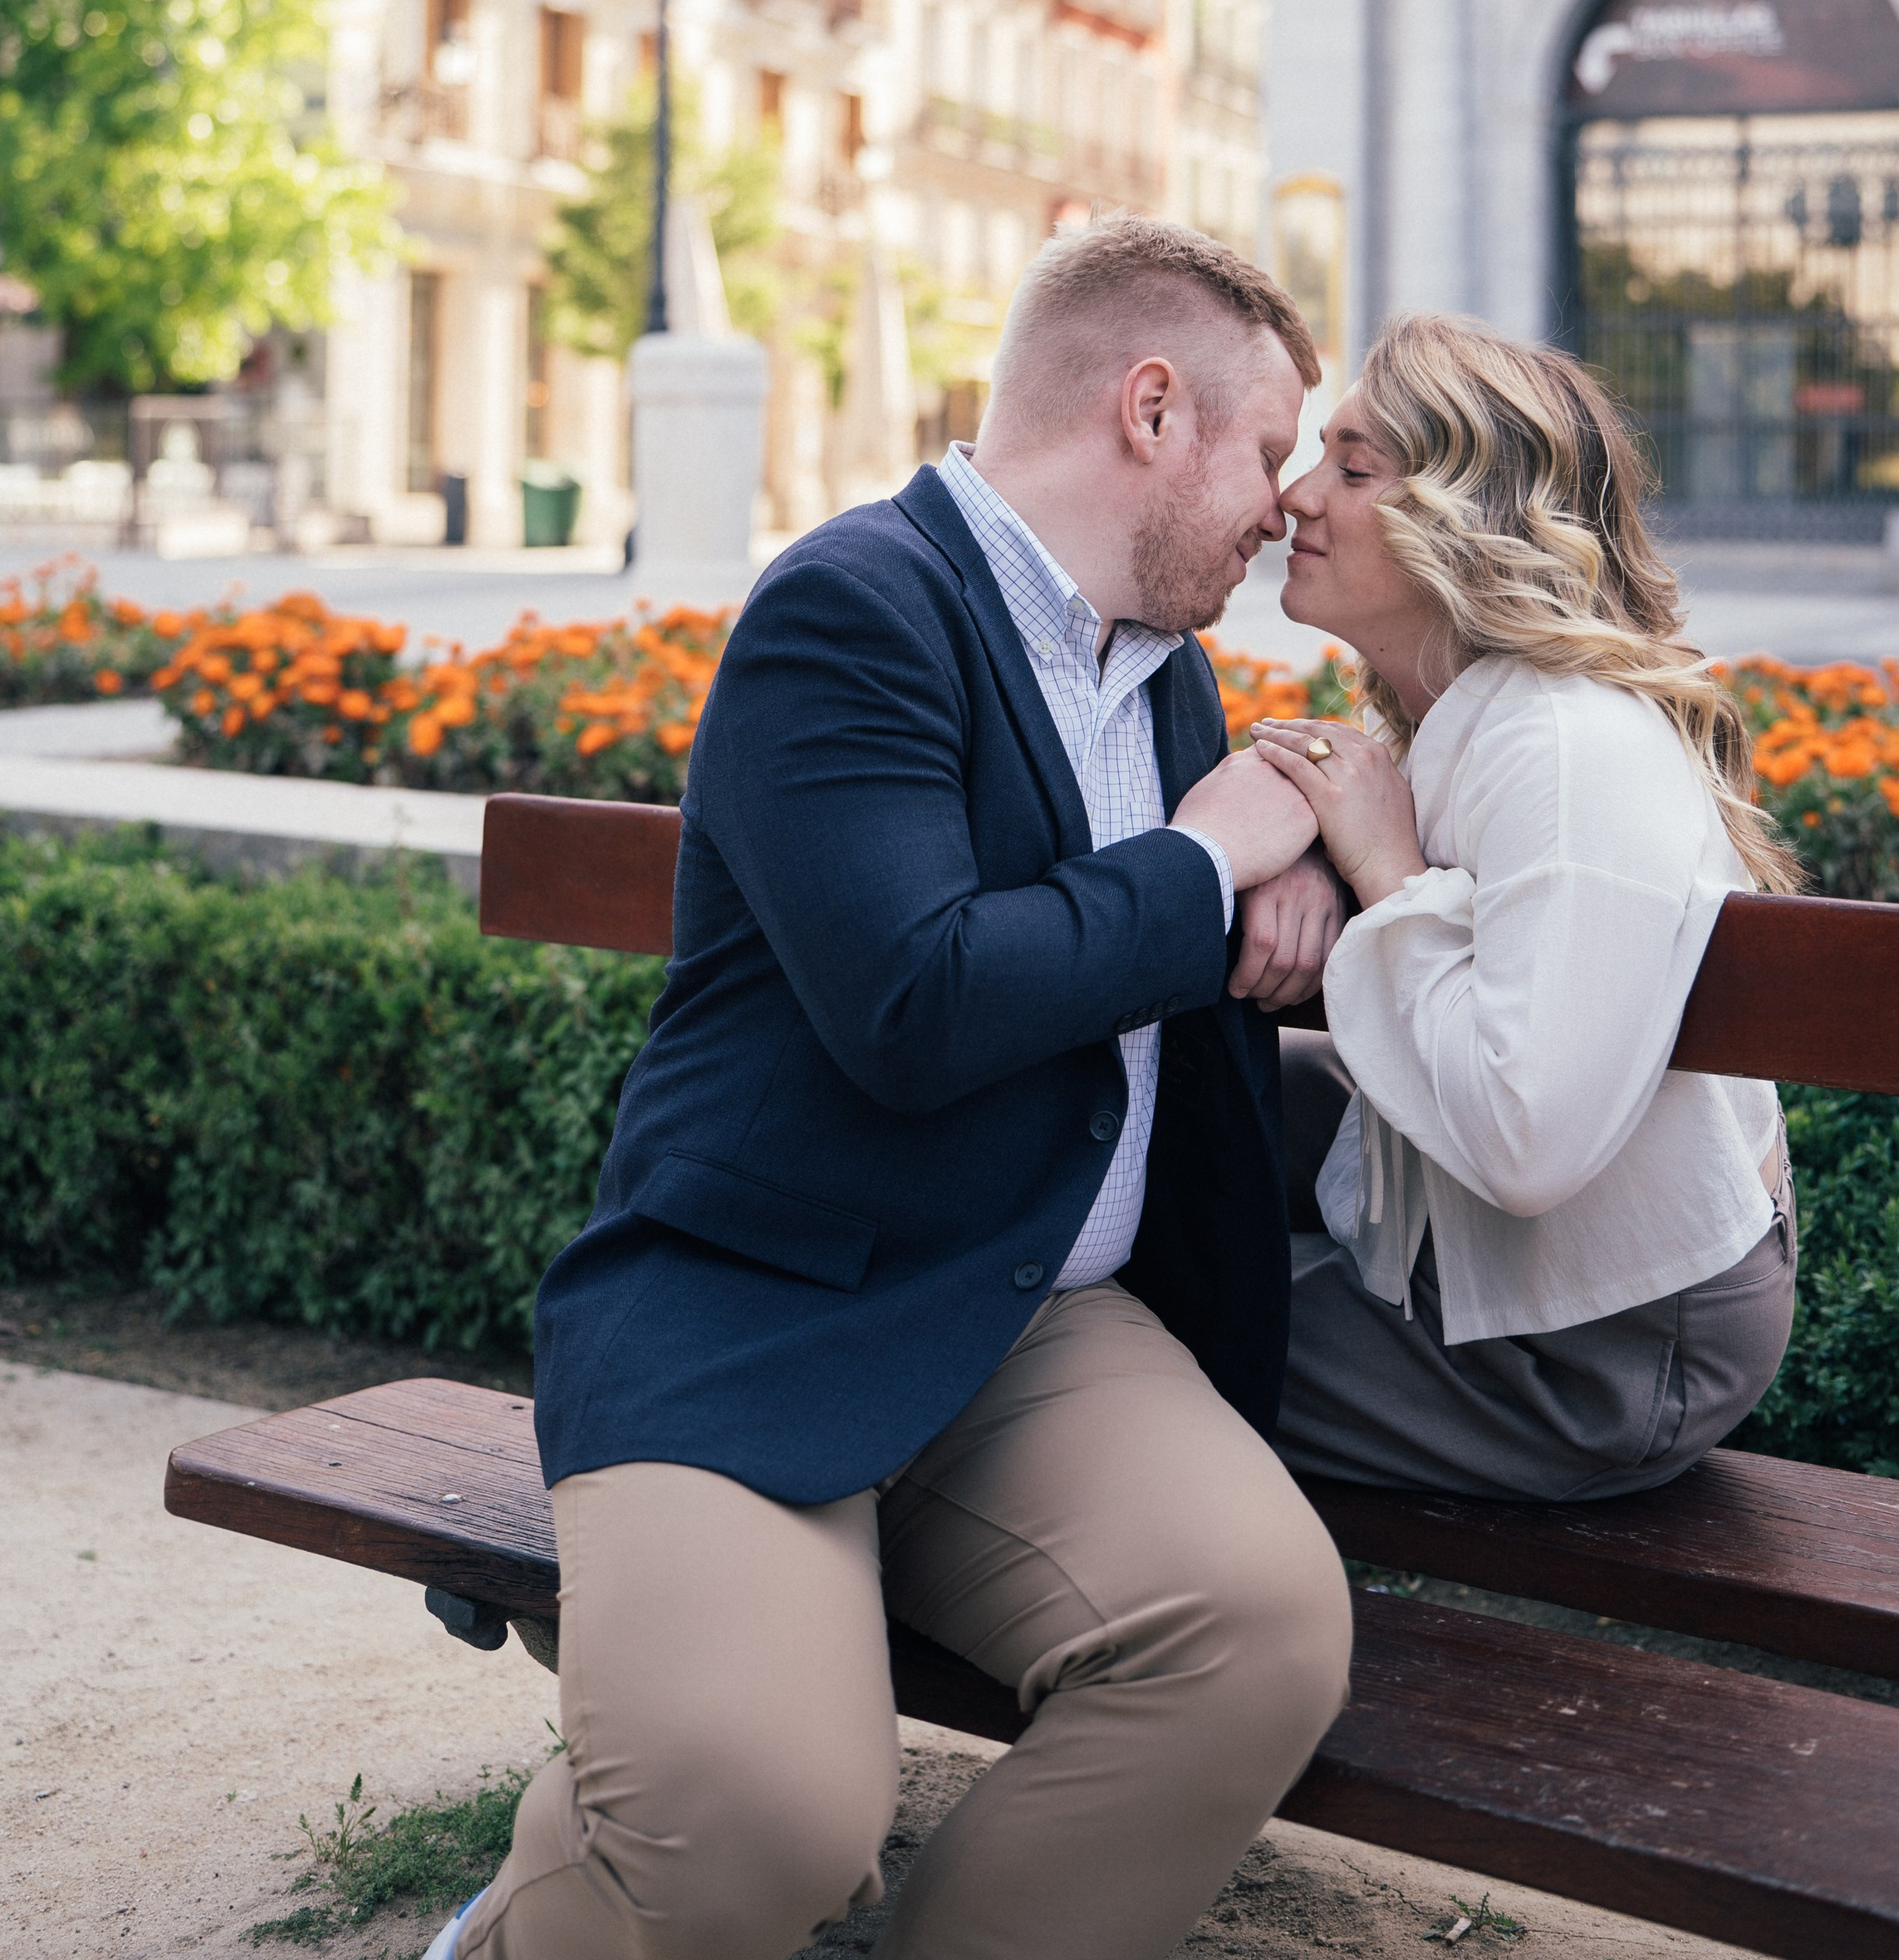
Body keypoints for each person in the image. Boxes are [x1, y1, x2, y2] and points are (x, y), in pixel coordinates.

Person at [435, 218, 1354, 1960]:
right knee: (757, 1824)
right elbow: (915, 1003)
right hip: (762, 1307)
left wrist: (1300, 827)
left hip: (1035, 1328)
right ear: (1146, 410)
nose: (1281, 504)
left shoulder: (1168, 677)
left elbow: (1208, 877)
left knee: (1256, 1633)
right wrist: (1201, 862)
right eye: (1262, 450)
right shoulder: (848, 609)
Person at [1252, 311, 1799, 1506]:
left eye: (1352, 468)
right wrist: (1322, 868)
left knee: (1148, 1331)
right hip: (1531, 1278)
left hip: (1607, 1346)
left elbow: (1524, 1134)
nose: (1294, 495)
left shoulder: (1564, 747)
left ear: (1471, 519)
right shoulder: (1478, 717)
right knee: (1180, 1096)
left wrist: (1386, 875)